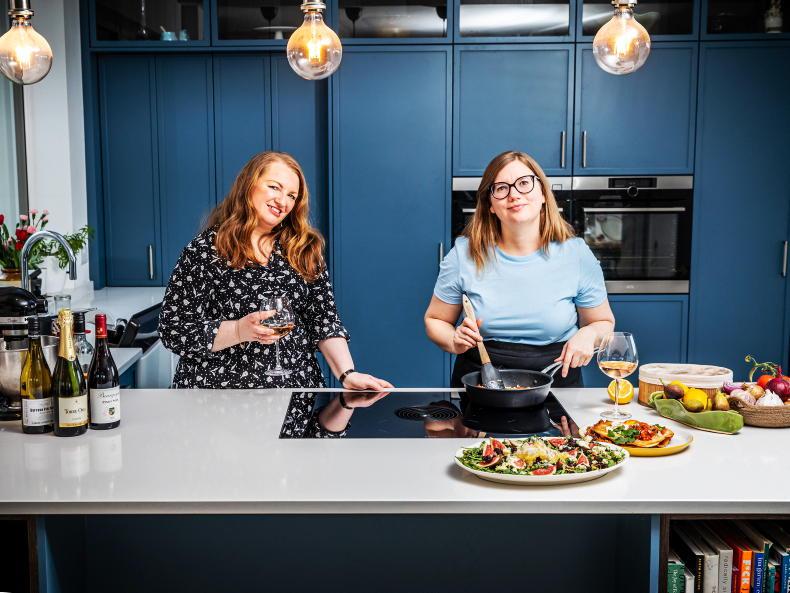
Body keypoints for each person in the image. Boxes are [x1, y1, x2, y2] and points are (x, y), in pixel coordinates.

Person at [159, 152, 392, 431]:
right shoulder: (205, 250)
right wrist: (238, 330)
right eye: (274, 187)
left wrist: (347, 374)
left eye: (292, 195)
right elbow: (174, 329)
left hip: (295, 403)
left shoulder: (303, 249)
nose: (283, 201)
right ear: (249, 184)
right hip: (217, 405)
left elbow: (323, 319)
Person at [424, 150, 615, 388]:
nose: (514, 194)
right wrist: (454, 339)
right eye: (501, 188)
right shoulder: (464, 254)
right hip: (482, 385)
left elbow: (603, 324)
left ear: (543, 193)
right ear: (490, 204)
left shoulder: (576, 254)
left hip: (559, 385)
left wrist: (589, 334)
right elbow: (435, 320)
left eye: (524, 183)